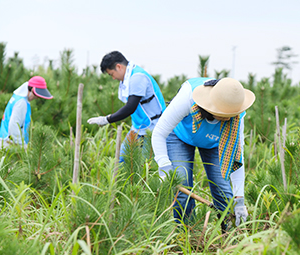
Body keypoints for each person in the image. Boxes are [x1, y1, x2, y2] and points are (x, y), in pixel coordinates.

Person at [151, 77, 255, 228]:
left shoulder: (236, 113)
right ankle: (186, 233)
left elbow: (237, 157)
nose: (228, 119)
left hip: (215, 143)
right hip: (181, 136)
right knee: (182, 186)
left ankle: (229, 236)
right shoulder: (188, 96)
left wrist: (239, 199)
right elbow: (159, 133)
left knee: (223, 192)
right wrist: (165, 167)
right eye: (224, 115)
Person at [87, 51, 166, 162]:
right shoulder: (128, 79)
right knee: (121, 160)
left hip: (153, 128)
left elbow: (130, 107)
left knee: (145, 165)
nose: (113, 78)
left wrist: (107, 119)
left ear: (119, 67)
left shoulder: (137, 77)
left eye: (111, 74)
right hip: (138, 127)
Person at [0, 76, 53, 149]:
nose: (36, 98)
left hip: (5, 140)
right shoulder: (21, 103)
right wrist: (22, 146)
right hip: (10, 144)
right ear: (31, 89)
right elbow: (14, 125)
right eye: (35, 95)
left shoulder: (17, 97)